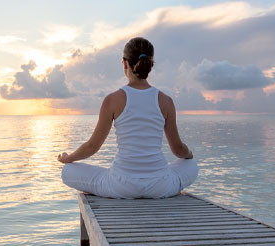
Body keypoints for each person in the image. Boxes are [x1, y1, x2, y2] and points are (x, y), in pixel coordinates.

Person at [58, 37, 198, 199]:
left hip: (121, 186)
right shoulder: (165, 101)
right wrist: (189, 154)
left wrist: (69, 158)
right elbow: (178, 149)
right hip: (160, 185)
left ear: (124, 63)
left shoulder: (112, 100)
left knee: (68, 171)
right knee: (191, 165)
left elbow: (92, 147)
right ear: (151, 64)